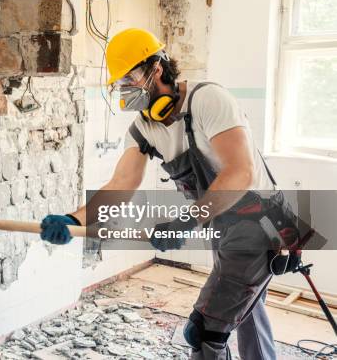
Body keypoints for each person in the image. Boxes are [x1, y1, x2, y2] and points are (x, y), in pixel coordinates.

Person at [39, 28, 291, 359]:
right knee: (244, 312)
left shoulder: (207, 100)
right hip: (223, 226)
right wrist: (73, 219)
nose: (124, 89)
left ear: (156, 69)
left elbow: (240, 172)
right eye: (119, 83)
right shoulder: (145, 127)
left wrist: (186, 221)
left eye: (129, 78)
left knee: (205, 330)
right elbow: (119, 185)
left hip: (258, 225)